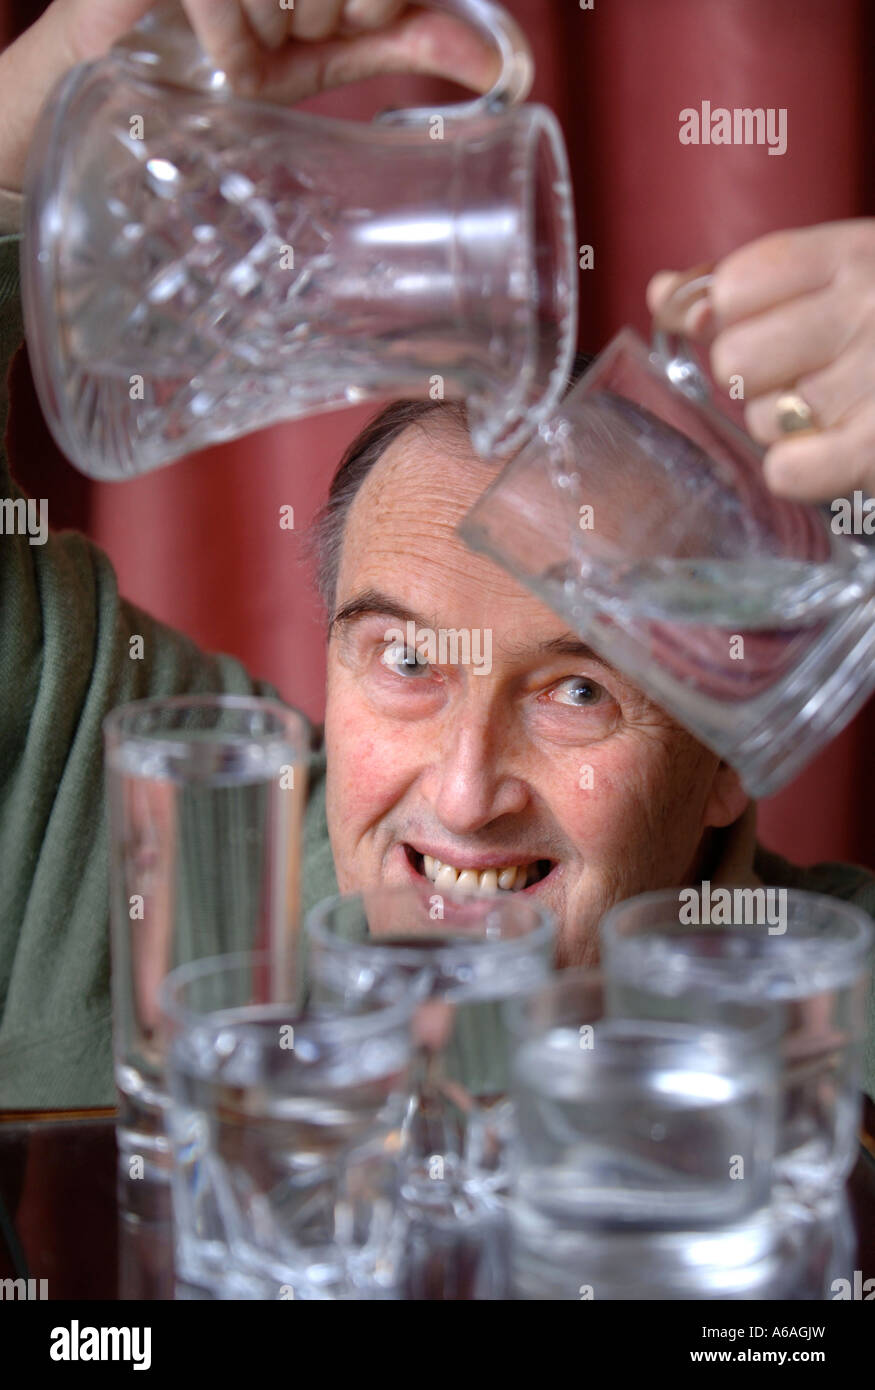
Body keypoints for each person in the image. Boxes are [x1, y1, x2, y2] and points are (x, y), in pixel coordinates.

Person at [0, 0, 873, 1108]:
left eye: (575, 688)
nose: (464, 799)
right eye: (405, 663)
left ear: (722, 756)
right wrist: (52, 96)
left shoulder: (837, 988)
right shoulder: (148, 833)